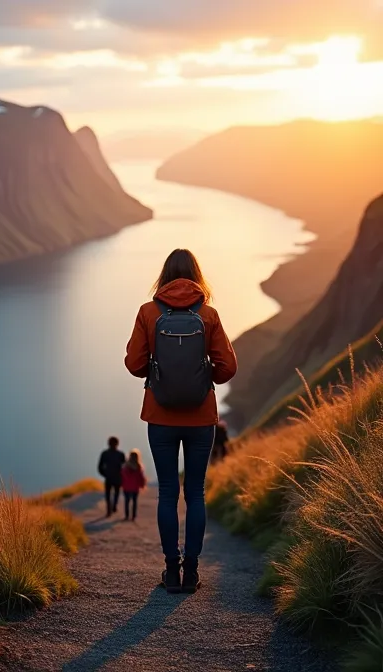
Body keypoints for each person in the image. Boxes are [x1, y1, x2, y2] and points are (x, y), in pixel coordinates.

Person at [125, 248, 237, 595]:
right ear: (195, 275)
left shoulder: (147, 313)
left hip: (160, 415)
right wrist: (202, 378)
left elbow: (134, 363)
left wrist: (159, 373)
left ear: (164, 276)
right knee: (196, 493)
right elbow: (228, 368)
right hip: (201, 417)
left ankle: (171, 573)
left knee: (168, 493)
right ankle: (192, 573)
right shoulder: (208, 315)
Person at [97, 436, 126, 517]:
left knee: (108, 494)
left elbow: (100, 466)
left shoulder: (105, 454)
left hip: (109, 477)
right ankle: (113, 507)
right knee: (115, 493)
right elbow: (125, 467)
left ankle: (110, 510)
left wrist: (105, 474)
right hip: (116, 477)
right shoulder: (120, 454)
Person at [121, 449, 147, 522]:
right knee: (134, 502)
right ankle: (133, 516)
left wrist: (121, 484)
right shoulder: (139, 467)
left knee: (127, 501)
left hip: (126, 487)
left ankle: (126, 516)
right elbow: (141, 477)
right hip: (135, 487)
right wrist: (142, 485)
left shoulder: (125, 466)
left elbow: (122, 476)